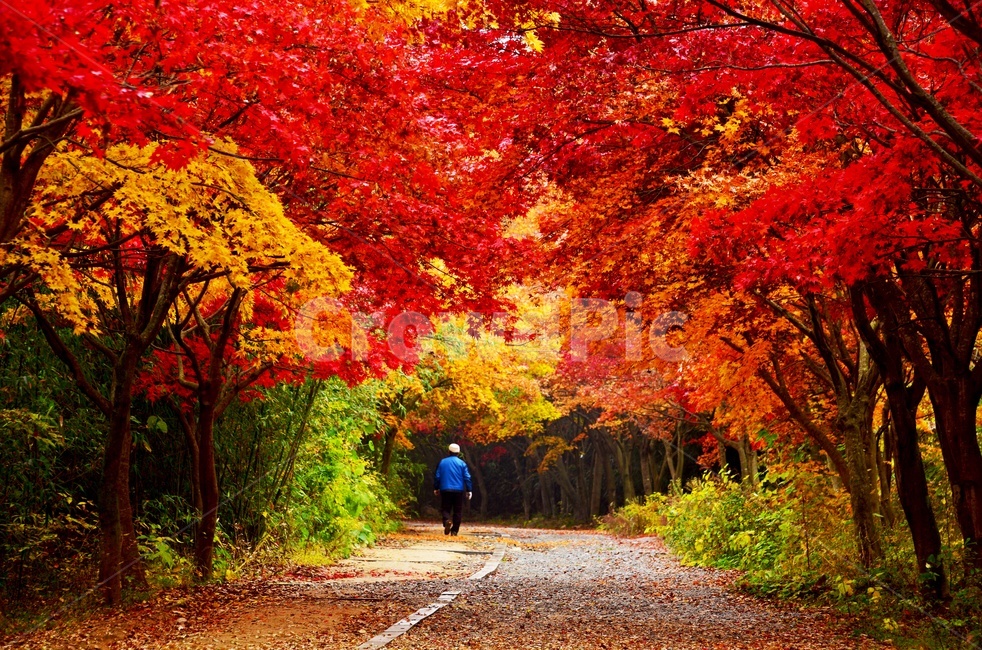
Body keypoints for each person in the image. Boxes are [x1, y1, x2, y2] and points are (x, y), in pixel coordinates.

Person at [433, 443, 472, 536]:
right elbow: (467, 477)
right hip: (458, 490)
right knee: (457, 511)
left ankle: (446, 520)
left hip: (445, 489)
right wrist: (469, 490)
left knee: (445, 508)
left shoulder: (442, 462)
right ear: (458, 453)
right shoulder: (462, 463)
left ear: (448, 451)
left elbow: (437, 476)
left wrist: (436, 487)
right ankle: (454, 531)